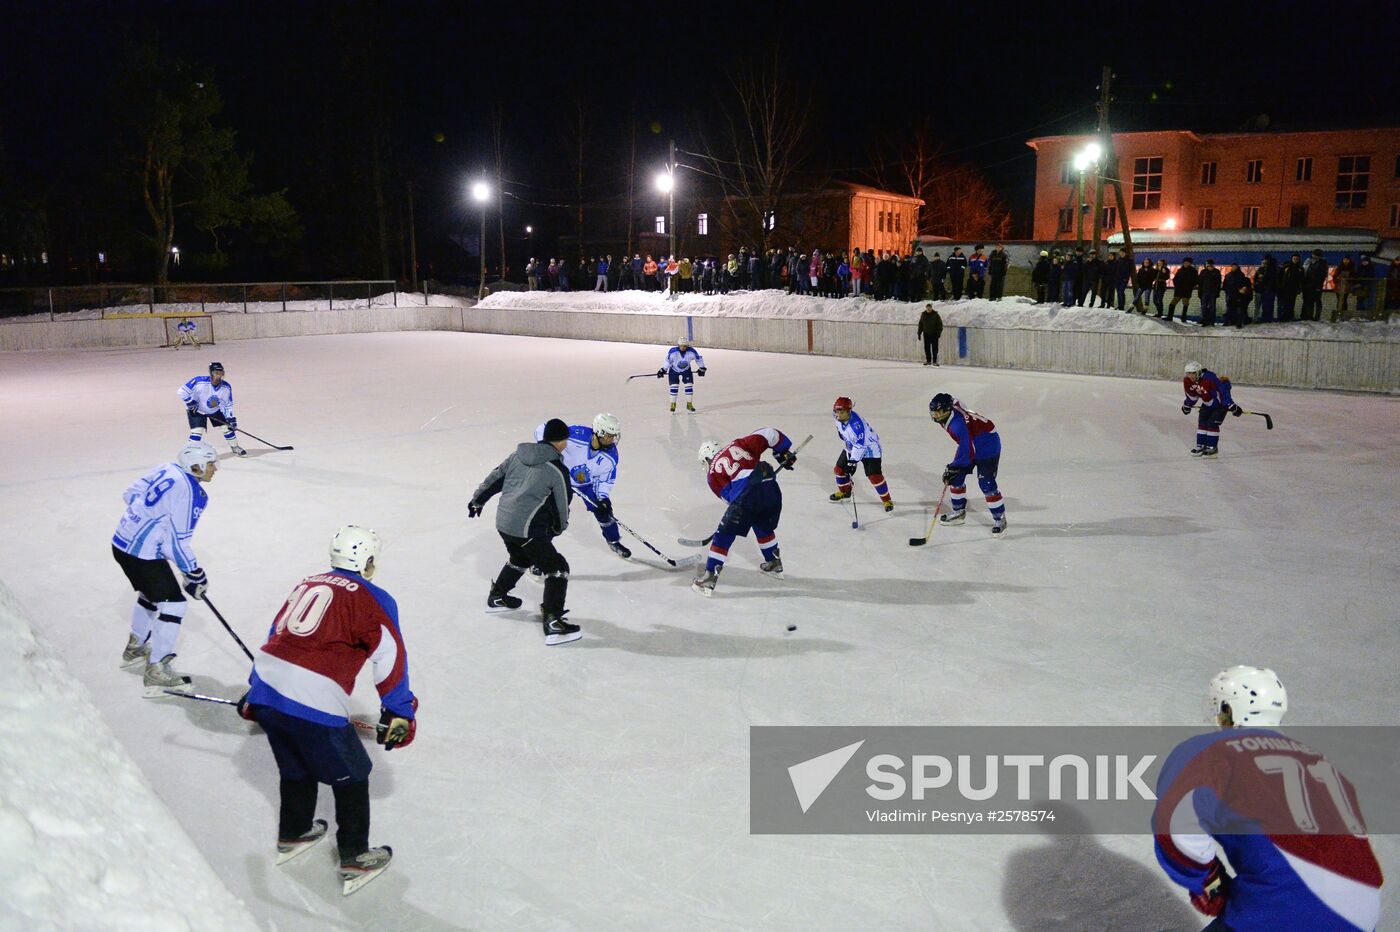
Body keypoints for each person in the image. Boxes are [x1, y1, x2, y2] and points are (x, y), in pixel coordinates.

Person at [237, 525, 417, 896]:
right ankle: (354, 857)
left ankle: (295, 833)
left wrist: (256, 690)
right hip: (314, 697)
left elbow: (278, 633)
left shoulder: (306, 583)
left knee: (295, 765)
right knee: (353, 773)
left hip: (268, 687)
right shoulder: (375, 597)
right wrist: (399, 712)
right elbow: (390, 656)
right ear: (367, 562)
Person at [1152, 666, 1382, 930]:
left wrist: (1210, 883)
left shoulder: (1208, 752)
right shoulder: (1318, 760)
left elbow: (1175, 828)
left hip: (1281, 910)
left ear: (1229, 710)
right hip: (1362, 914)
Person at [111, 441, 218, 696]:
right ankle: (156, 670)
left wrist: (147, 525)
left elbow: (130, 494)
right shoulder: (192, 492)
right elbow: (177, 542)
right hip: (141, 554)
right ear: (197, 465)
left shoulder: (167, 469)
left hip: (120, 542)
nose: (215, 468)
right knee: (174, 604)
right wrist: (194, 573)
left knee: (151, 594)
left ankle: (135, 648)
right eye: (211, 463)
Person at [468, 419, 579, 644]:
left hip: (504, 523)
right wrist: (558, 528)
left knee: (519, 557)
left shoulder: (517, 456)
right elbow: (562, 504)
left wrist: (477, 501)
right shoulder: (556, 469)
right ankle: (553, 622)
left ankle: (497, 597)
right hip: (527, 529)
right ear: (561, 442)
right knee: (557, 568)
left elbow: (495, 478)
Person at [692, 429, 797, 596]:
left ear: (706, 458)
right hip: (770, 486)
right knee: (761, 521)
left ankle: (709, 577)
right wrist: (782, 452)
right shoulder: (739, 444)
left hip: (748, 494)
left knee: (724, 534)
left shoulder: (712, 474)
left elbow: (732, 499)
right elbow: (770, 433)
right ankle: (774, 563)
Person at [533, 413, 628, 559]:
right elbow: (541, 429)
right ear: (599, 432)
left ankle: (613, 540)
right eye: (608, 435)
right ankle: (538, 554)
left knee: (605, 512)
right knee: (555, 518)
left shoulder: (611, 456)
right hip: (561, 481)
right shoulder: (575, 435)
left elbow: (604, 480)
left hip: (586, 484)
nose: (612, 440)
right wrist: (547, 450)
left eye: (614, 436)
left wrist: (602, 498)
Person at [929, 393, 1006, 534]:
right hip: (972, 439)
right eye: (933, 412)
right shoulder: (952, 408)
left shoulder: (957, 425)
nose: (935, 416)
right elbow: (955, 400)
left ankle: (999, 518)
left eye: (938, 412)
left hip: (988, 443)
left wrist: (953, 466)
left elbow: (968, 450)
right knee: (956, 478)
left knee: (986, 483)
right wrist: (955, 469)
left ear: (947, 410)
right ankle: (958, 513)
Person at [829, 397, 893, 511]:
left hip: (869, 449)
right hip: (852, 445)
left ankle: (887, 500)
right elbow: (841, 430)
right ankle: (845, 492)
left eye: (841, 411)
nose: (838, 414)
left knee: (874, 476)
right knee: (839, 470)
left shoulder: (856, 425)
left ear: (849, 411)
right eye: (836, 411)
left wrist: (852, 462)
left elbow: (860, 445)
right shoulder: (837, 417)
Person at [179, 361, 245, 456]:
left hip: (215, 410)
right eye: (216, 373)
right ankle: (190, 453)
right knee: (197, 431)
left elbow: (227, 404)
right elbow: (182, 391)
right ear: (211, 373)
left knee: (227, 427)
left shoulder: (226, 387)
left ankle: (235, 447)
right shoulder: (199, 381)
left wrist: (230, 418)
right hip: (197, 410)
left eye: (221, 374)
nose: (218, 376)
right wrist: (190, 403)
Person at [1181, 360, 1242, 456]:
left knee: (1212, 424)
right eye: (1188, 373)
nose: (1191, 376)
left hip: (1220, 405)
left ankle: (1212, 447)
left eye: (1193, 373)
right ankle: (1200, 445)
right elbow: (1192, 395)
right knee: (1202, 423)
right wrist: (1187, 405)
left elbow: (1222, 392)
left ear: (1199, 372)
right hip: (1207, 404)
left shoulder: (1210, 378)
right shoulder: (1187, 380)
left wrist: (1231, 405)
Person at [657, 336, 706, 412]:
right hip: (674, 370)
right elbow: (668, 361)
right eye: (681, 346)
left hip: (686, 370)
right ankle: (673, 404)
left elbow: (698, 359)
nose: (683, 348)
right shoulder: (673, 352)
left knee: (689, 386)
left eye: (685, 346)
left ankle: (689, 404)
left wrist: (702, 368)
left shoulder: (691, 352)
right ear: (678, 345)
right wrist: (663, 369)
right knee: (674, 387)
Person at [1166, 258, 1198, 322]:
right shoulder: (1180, 270)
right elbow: (1175, 279)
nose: (1186, 263)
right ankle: (1170, 317)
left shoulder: (1193, 271)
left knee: (1185, 304)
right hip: (1179, 289)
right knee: (1172, 303)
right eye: (1185, 262)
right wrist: (1176, 285)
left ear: (1190, 263)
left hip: (1187, 290)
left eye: (1187, 262)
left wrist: (1190, 286)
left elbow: (1196, 280)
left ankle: (1183, 318)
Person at [1301, 249, 1329, 321]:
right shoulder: (1308, 261)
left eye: (1316, 255)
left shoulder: (1322, 263)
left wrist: (1318, 286)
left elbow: (1322, 275)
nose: (1314, 256)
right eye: (1314, 254)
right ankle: (1308, 316)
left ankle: (1316, 317)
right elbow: (1304, 271)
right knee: (1308, 301)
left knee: (1317, 301)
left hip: (1316, 285)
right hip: (1307, 285)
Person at [1222, 264, 1252, 329]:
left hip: (1237, 295)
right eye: (1232, 267)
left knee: (1238, 310)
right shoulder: (1229, 275)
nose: (1233, 268)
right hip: (1231, 295)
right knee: (1230, 309)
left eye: (1235, 267)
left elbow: (1244, 285)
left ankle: (1238, 323)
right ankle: (1229, 322)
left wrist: (1242, 289)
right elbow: (1224, 285)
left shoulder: (1240, 275)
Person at [1277, 254, 1305, 322]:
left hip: (1294, 289)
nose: (1295, 260)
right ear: (1291, 259)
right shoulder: (1286, 267)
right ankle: (1283, 317)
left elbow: (1302, 280)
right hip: (1285, 289)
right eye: (1294, 259)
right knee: (1284, 304)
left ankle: (1290, 317)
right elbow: (1279, 277)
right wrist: (1280, 286)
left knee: (1292, 304)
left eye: (1297, 259)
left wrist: (1299, 288)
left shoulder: (1300, 269)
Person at [1198, 259, 1222, 327]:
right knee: (1204, 307)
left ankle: (1212, 321)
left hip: (1212, 293)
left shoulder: (1216, 272)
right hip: (1204, 292)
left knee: (1212, 307)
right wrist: (1200, 292)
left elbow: (1218, 283)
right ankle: (1205, 321)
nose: (1209, 267)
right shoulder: (1203, 272)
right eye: (1208, 265)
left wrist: (1217, 293)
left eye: (1210, 265)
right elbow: (1200, 283)